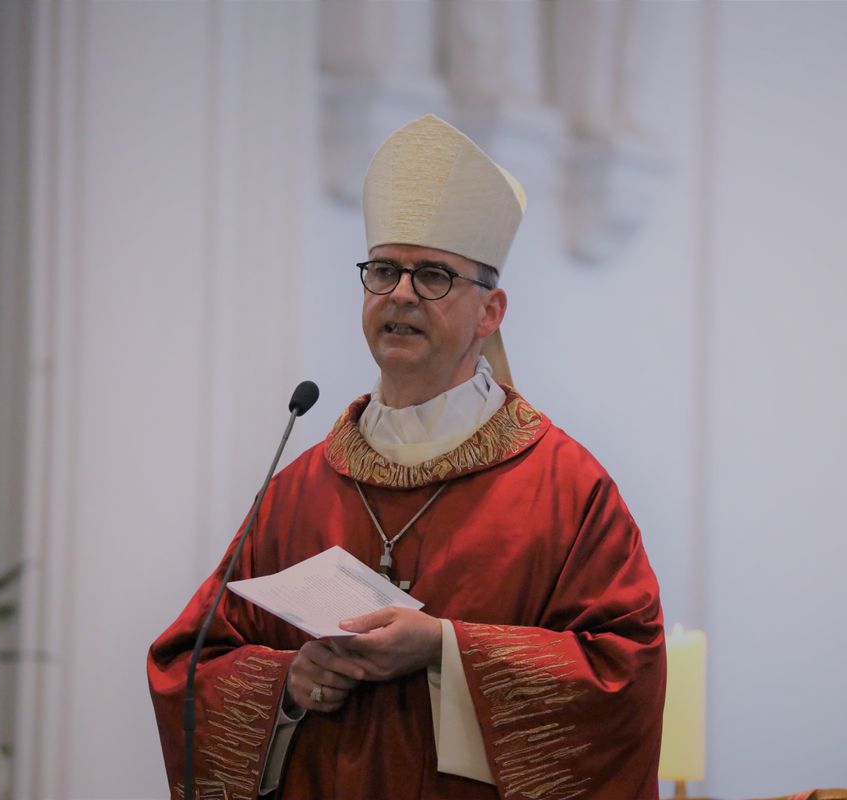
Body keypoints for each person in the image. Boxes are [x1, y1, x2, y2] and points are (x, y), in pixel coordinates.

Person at [148, 114, 666, 799]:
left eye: (432, 277)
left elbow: (623, 676)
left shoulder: (566, 490)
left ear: (491, 312)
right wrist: (289, 685)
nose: (399, 294)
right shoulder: (300, 489)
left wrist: (446, 649)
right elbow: (191, 665)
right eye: (384, 271)